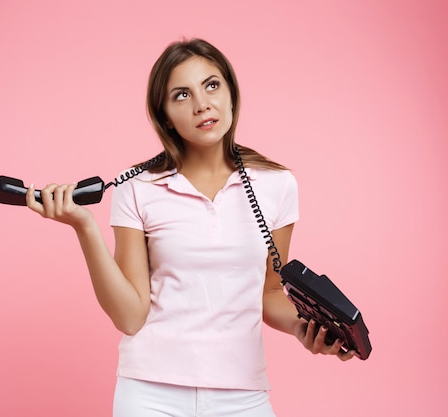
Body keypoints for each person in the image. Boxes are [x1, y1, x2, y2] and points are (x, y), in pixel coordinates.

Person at [26, 38, 355, 417]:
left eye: (212, 85)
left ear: (231, 93)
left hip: (242, 392)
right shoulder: (137, 188)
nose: (202, 104)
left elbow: (268, 293)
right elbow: (130, 316)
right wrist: (84, 227)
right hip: (150, 393)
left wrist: (304, 328)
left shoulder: (277, 184)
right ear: (165, 115)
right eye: (182, 95)